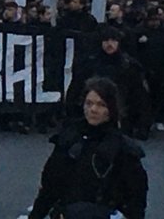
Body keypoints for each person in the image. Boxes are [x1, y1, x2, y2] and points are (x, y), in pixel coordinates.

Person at [28, 77, 148, 219]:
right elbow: (49, 189)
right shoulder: (68, 140)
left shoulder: (124, 150)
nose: (93, 110)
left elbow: (136, 200)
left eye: (101, 105)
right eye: (89, 103)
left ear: (111, 108)